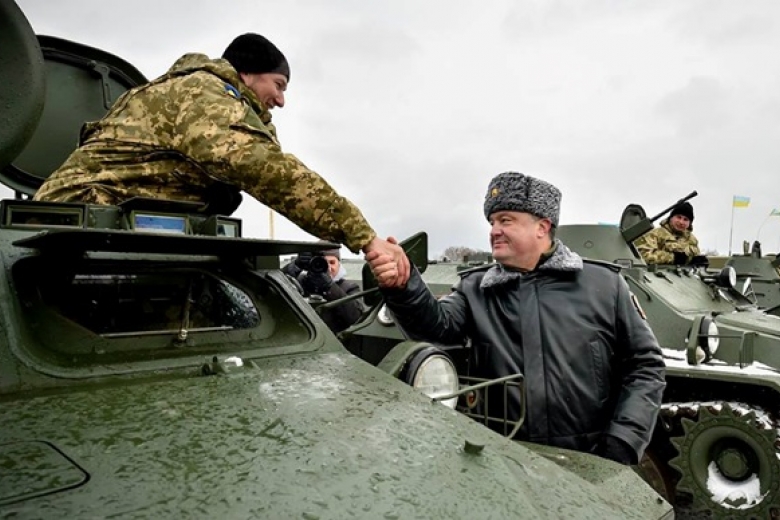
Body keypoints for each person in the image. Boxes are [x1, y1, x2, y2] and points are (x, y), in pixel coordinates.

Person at [33, 33, 409, 286]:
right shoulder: (203, 92)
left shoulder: (198, 92)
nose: (281, 100)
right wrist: (365, 237)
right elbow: (264, 168)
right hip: (73, 229)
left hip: (107, 229)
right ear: (246, 73)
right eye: (278, 85)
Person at [366, 171, 666, 465]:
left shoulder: (604, 285)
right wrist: (403, 285)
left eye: (506, 220)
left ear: (542, 227)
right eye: (492, 222)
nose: (494, 230)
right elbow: (435, 330)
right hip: (502, 460)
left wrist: (623, 441)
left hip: (588, 460)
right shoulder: (476, 289)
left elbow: (645, 365)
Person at [283, 247, 363, 334]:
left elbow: (356, 318)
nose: (328, 268)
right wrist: (295, 266)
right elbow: (276, 285)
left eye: (332, 262)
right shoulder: (301, 282)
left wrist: (330, 286)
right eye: (321, 263)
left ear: (339, 265)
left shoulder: (349, 287)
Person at [634, 202, 701, 265]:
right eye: (678, 217)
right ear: (671, 218)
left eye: (685, 219)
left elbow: (693, 257)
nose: (681, 222)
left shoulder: (692, 240)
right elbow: (643, 256)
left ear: (689, 223)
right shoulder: (655, 234)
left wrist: (695, 260)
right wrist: (672, 258)